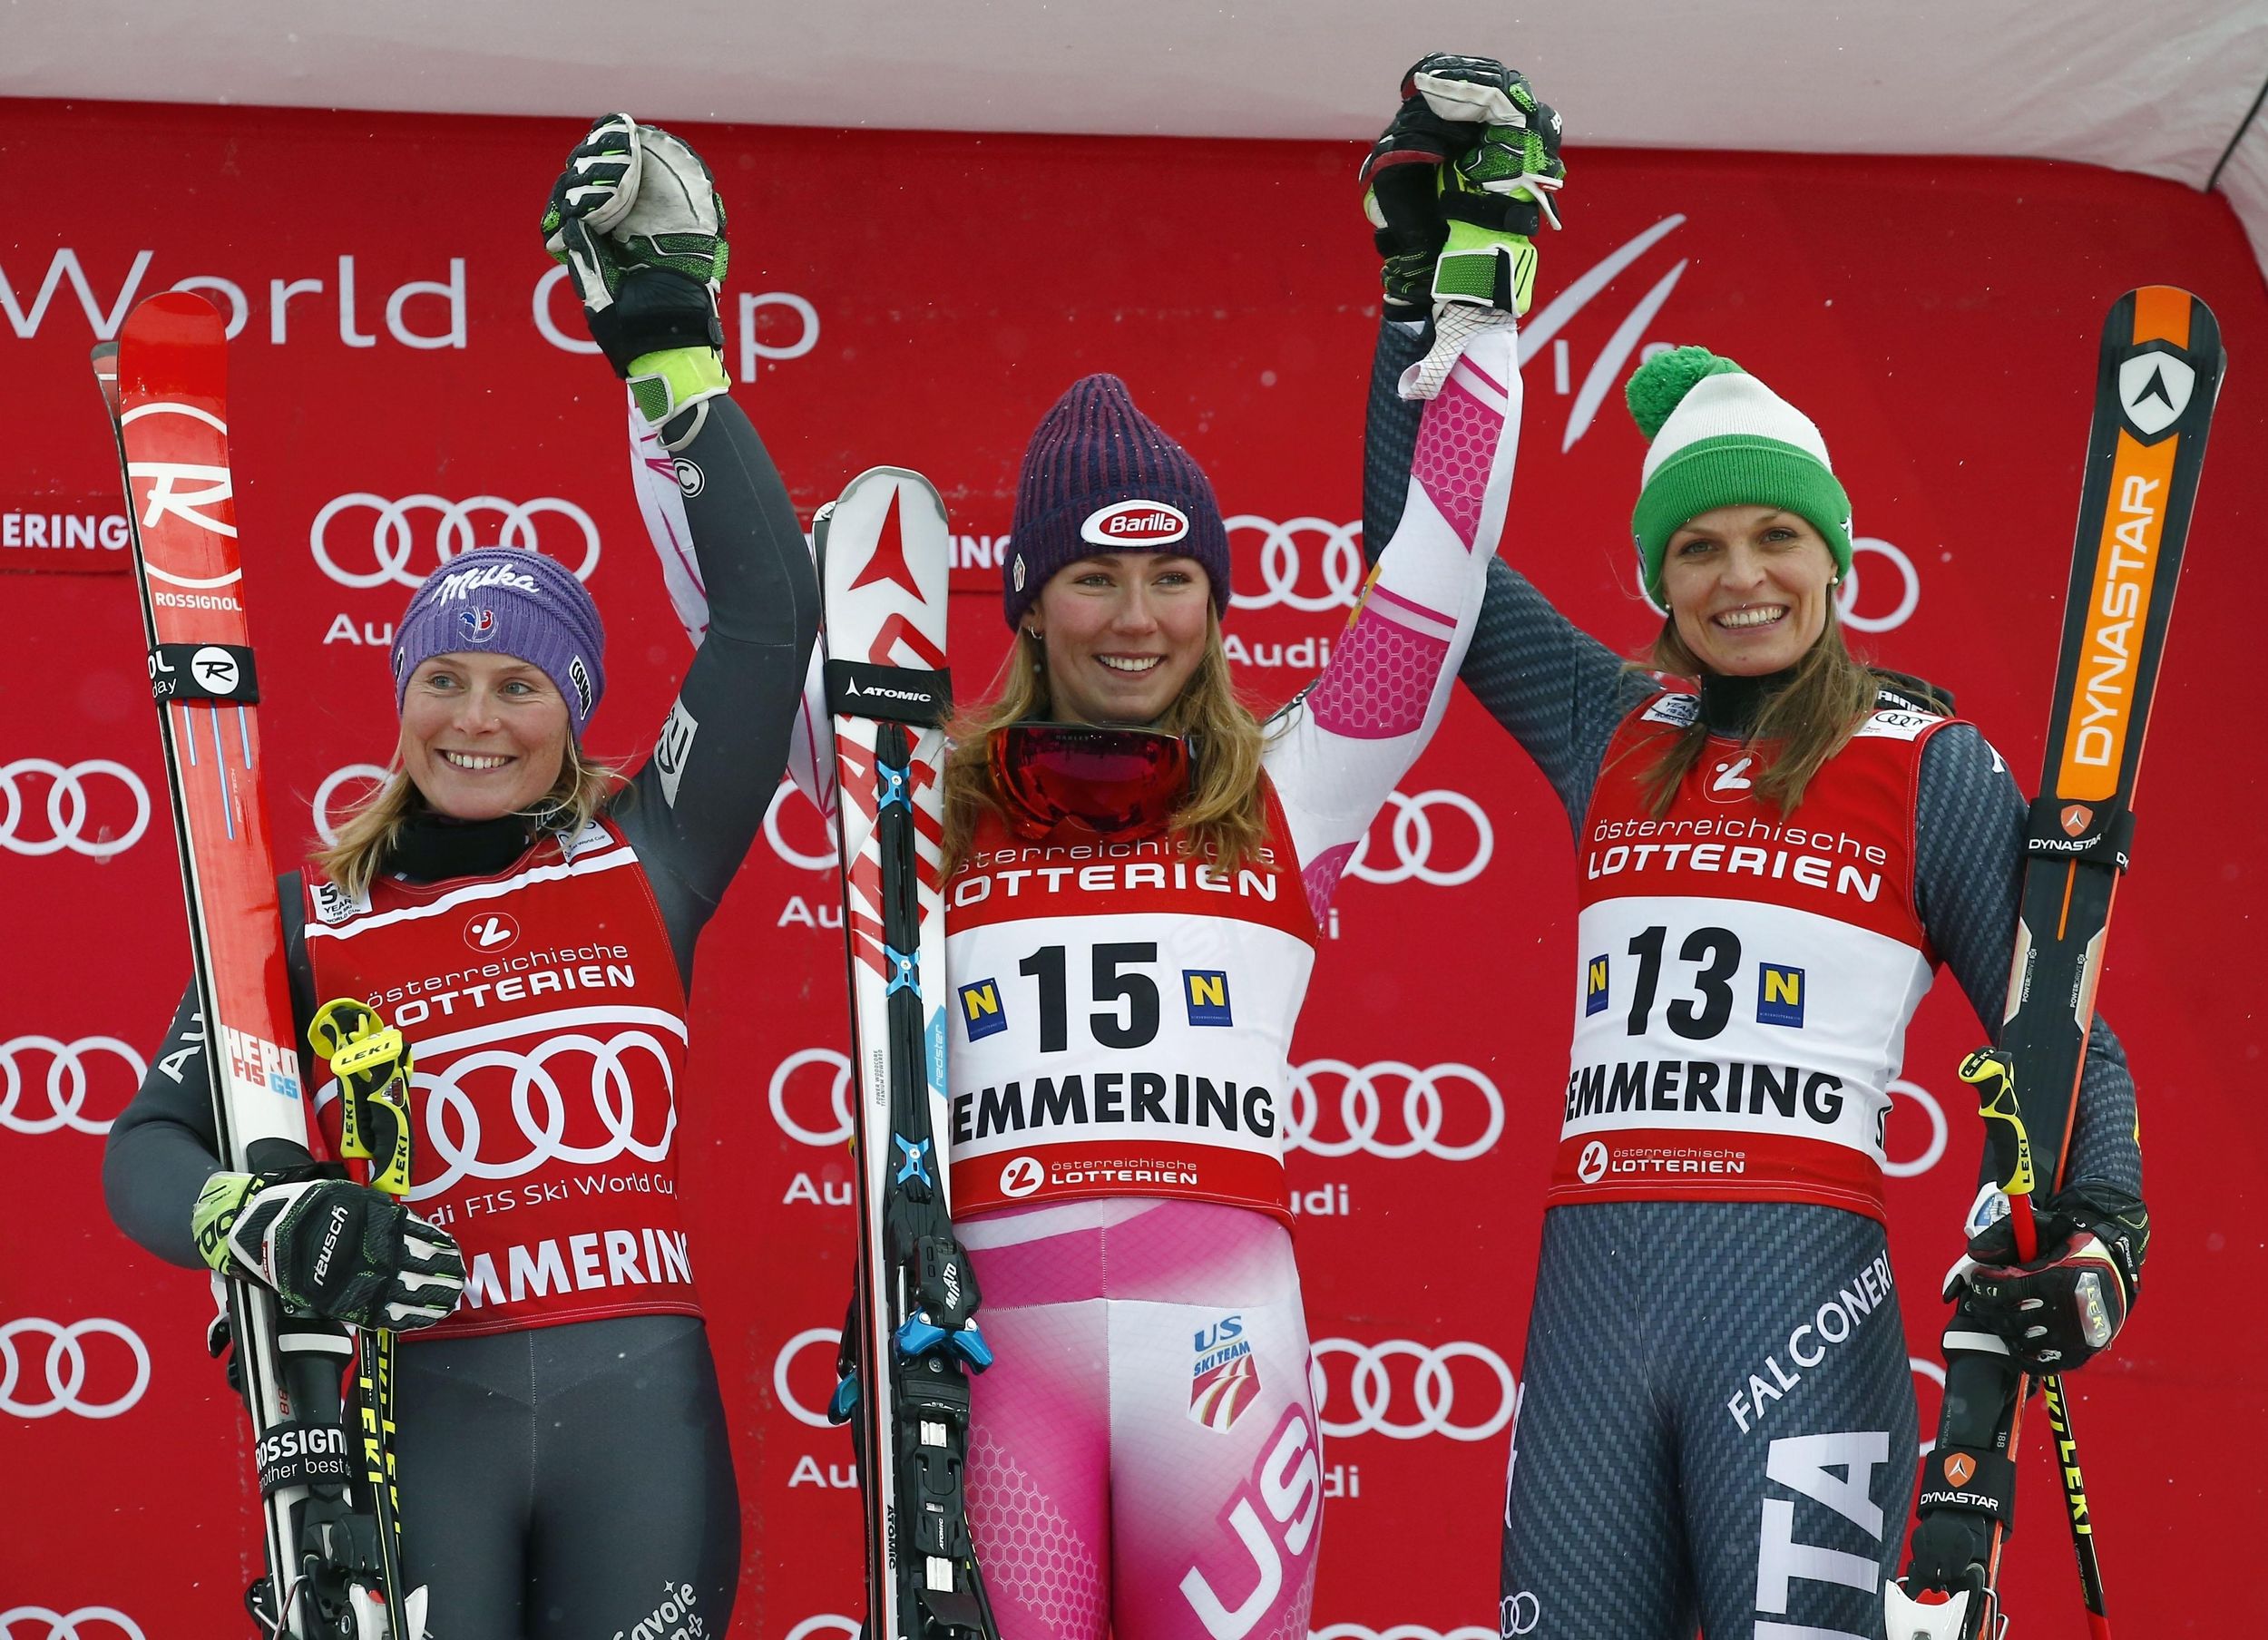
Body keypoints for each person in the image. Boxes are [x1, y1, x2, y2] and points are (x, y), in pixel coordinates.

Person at [1357, 57, 2151, 1639]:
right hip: (1593, 1311)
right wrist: (1413, 310)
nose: (1742, 579)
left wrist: (2105, 1233)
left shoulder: (1924, 765)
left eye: (1778, 537)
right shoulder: (1609, 723)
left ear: (1835, 560)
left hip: (1799, 1308)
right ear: (1659, 578)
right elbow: (1418, 553)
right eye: (1701, 547)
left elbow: (2063, 1036)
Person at [102, 116, 819, 1635]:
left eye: (519, 687)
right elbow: (147, 1145)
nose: (475, 719)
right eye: (445, 679)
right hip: (425, 1413)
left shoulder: (650, 856)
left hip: (642, 1414)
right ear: (403, 699)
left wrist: (669, 350)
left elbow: (769, 623)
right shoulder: (305, 919)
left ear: (574, 718)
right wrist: (255, 1217)